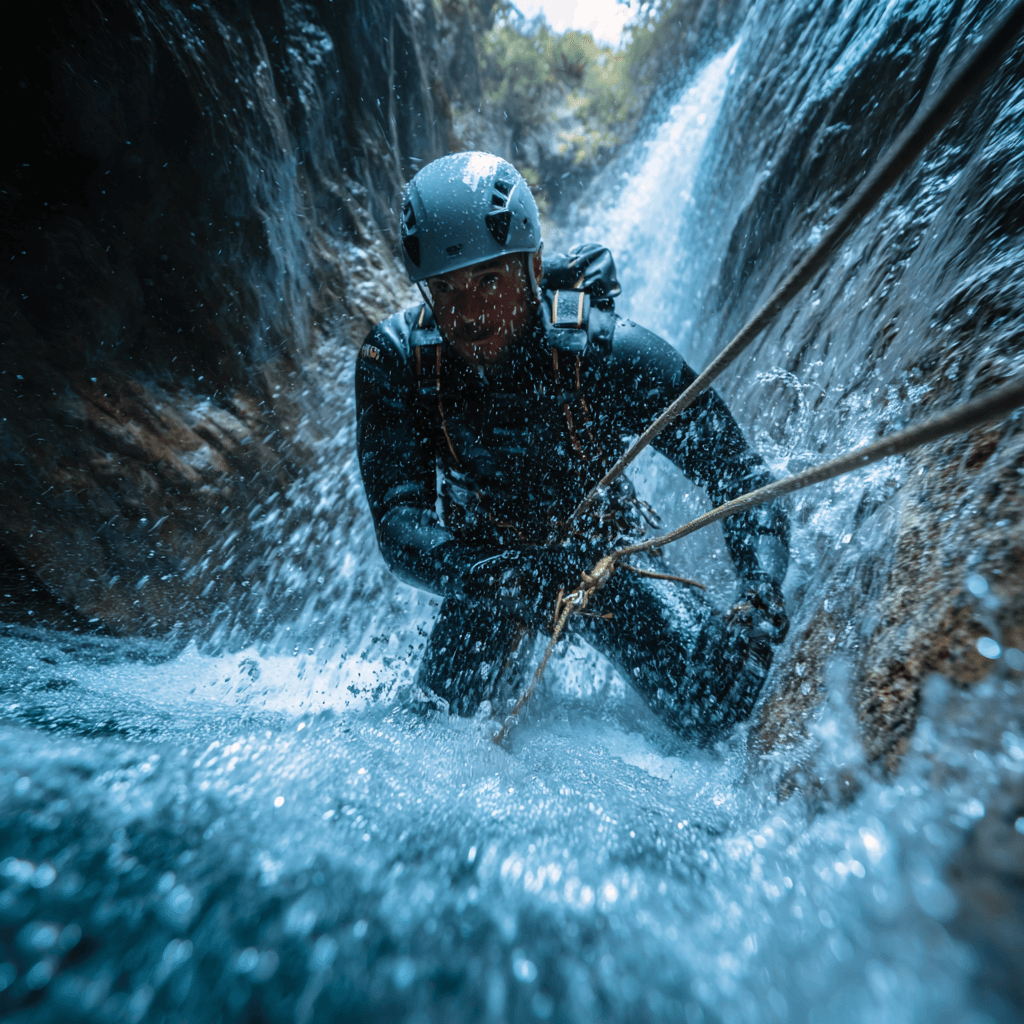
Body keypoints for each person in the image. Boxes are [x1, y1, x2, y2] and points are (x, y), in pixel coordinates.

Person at [355, 152, 790, 741]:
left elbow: (740, 477)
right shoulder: (399, 362)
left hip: (603, 555)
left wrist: (760, 595)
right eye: (448, 291)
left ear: (533, 265)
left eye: (489, 281)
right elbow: (399, 522)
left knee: (709, 709)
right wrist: (489, 575)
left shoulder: (604, 352)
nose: (470, 313)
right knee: (431, 741)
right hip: (487, 570)